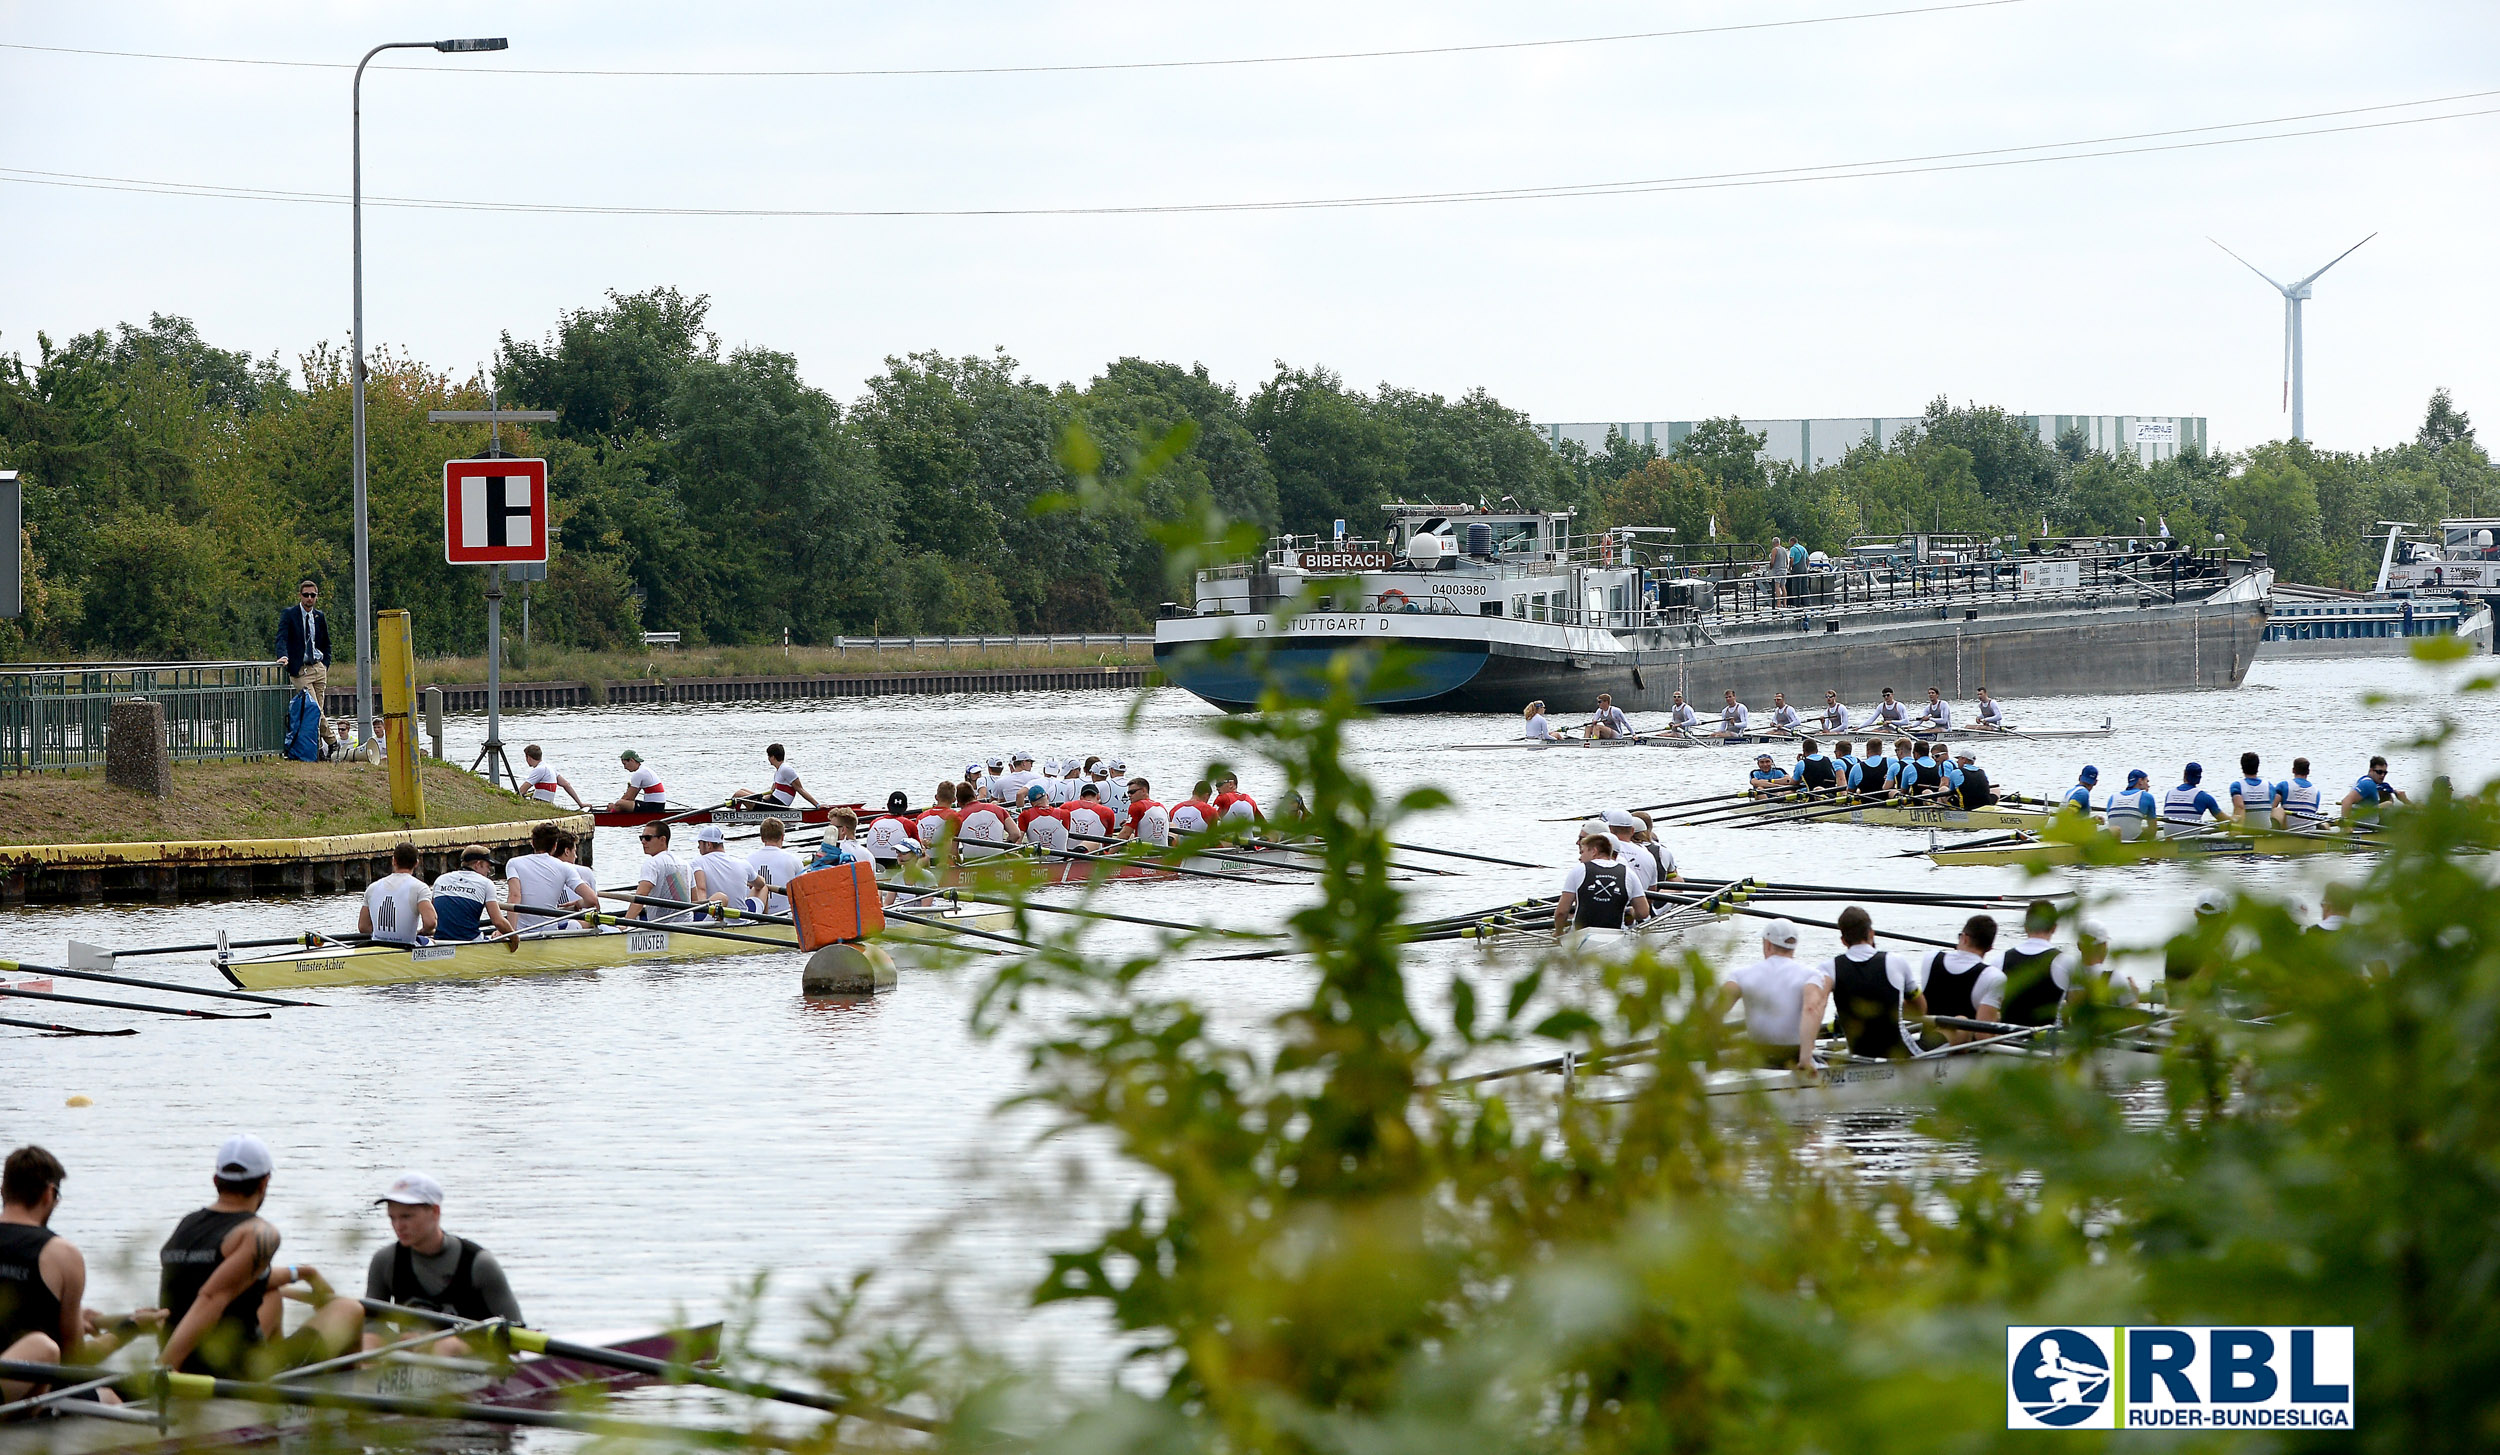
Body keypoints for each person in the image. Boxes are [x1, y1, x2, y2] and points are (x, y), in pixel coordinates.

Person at [157, 1135, 362, 1378]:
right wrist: (162, 1369)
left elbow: (225, 1277)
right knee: (349, 1308)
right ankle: (346, 1400)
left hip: (192, 1360)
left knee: (271, 1295)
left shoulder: (187, 1224)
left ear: (216, 1181)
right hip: (233, 1376)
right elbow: (211, 1296)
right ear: (264, 1183)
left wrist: (301, 1273)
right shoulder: (259, 1233)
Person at [2, 1147, 156, 1404]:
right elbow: (76, 1361)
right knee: (113, 1397)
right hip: (25, 1394)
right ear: (50, 1194)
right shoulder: (62, 1254)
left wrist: (74, 1316)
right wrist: (129, 1329)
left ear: (3, 1191)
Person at [361, 1173, 523, 1353]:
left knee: (446, 1347)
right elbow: (371, 1326)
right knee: (368, 1340)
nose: (398, 1226)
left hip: (471, 1354)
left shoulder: (479, 1263)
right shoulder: (385, 1261)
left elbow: (517, 1333)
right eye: (392, 1218)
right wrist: (394, 1340)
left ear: (435, 1212)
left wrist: (442, 1341)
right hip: (413, 1356)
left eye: (407, 1217)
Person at [1719, 920, 1830, 1073]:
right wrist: (1805, 1059)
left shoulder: (1740, 975)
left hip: (1757, 1055)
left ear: (1767, 944)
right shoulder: (1811, 975)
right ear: (1793, 947)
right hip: (1793, 1056)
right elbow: (1811, 1009)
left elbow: (1713, 1012)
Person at [1823, 906, 1928, 1060]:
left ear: (1844, 941)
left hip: (1860, 1055)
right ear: (1871, 933)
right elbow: (1920, 1010)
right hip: (1903, 1055)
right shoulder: (1896, 961)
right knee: (1958, 1026)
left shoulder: (1829, 968)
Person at [1976, 900, 2089, 1028]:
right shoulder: (2068, 963)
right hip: (2047, 1044)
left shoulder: (1999, 960)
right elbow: (2080, 1015)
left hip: (2006, 1042)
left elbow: (1984, 1008)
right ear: (2054, 928)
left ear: (2026, 927)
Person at [275, 578, 338, 757]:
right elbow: (281, 638)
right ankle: (332, 741)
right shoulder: (290, 614)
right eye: (306, 595)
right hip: (300, 670)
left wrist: (325, 664)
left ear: (316, 597)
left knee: (316, 713)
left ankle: (317, 750)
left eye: (312, 595)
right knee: (314, 709)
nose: (309, 598)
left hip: (318, 668)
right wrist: (283, 655)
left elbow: (326, 643)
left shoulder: (319, 616)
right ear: (300, 596)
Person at [1551, 833, 1650, 935]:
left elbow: (1561, 912)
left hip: (1581, 935)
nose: (1580, 857)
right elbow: (1643, 913)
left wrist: (1558, 932)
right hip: (1616, 936)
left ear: (1594, 851)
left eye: (1582, 852)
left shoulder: (1578, 870)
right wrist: (1631, 912)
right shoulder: (1628, 872)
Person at [1919, 915, 1997, 1044]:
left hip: (1927, 1040)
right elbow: (1983, 1036)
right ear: (1989, 948)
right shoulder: (1993, 976)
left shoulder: (1930, 958)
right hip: (1964, 1051)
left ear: (1964, 938)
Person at [507, 822, 595, 929]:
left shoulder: (514, 863)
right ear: (555, 846)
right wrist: (578, 904)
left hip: (521, 932)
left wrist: (509, 932)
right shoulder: (564, 867)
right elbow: (592, 900)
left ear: (532, 843)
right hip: (550, 932)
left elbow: (514, 897)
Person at [429, 846, 515, 943]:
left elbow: (431, 916)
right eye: (488, 867)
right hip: (470, 941)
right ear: (478, 864)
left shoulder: (441, 879)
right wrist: (514, 937)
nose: (488, 871)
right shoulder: (486, 883)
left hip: (440, 940)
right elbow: (498, 921)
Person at [359, 842, 435, 946]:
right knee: (431, 942)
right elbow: (430, 923)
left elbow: (363, 927)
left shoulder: (372, 888)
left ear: (393, 861)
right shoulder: (420, 888)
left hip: (378, 946)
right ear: (416, 863)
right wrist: (423, 931)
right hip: (407, 947)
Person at [625, 823, 692, 921]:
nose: (643, 842)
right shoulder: (686, 865)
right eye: (641, 838)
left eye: (648, 838)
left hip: (660, 928)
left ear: (662, 840)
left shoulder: (652, 863)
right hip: (688, 925)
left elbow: (640, 897)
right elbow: (695, 900)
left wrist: (625, 923)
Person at [736, 744, 822, 811]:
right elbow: (771, 793)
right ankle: (736, 809)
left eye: (769, 756)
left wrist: (817, 805)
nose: (768, 758)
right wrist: (758, 799)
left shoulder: (786, 769)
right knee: (743, 790)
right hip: (772, 802)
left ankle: (732, 812)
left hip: (778, 806)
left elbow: (800, 789)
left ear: (773, 757)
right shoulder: (778, 771)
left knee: (739, 794)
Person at [749, 818, 808, 914]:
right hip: (785, 914)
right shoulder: (794, 860)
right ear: (782, 837)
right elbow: (805, 892)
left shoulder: (748, 861)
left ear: (762, 838)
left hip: (756, 916)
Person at [690, 825, 756, 910]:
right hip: (742, 918)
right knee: (763, 888)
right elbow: (761, 884)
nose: (698, 847)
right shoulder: (743, 863)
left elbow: (701, 889)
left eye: (699, 843)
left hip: (711, 917)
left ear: (708, 844)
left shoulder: (697, 862)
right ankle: (764, 921)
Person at [2161, 762, 2226, 833]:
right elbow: (2224, 820)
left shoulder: (2170, 793)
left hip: (2169, 839)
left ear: (2184, 774)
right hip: (2190, 840)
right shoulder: (2204, 797)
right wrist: (2235, 819)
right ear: (2199, 778)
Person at [863, 791, 923, 866]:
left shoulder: (874, 822)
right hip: (895, 863)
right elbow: (919, 848)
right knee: (922, 855)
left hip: (874, 862)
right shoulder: (908, 824)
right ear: (906, 807)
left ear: (888, 806)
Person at [518, 745, 586, 810]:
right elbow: (566, 784)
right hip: (549, 803)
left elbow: (522, 790)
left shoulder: (539, 769)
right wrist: (580, 804)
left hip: (539, 804)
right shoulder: (550, 768)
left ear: (529, 758)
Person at [2341, 756, 2409, 820]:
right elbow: (2346, 801)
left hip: (2365, 820)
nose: (2382, 775)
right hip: (2363, 827)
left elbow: (2385, 788)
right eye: (2379, 772)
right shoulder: (2368, 784)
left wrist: (2397, 793)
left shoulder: (2364, 780)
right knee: (2389, 804)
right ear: (2371, 770)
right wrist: (2346, 825)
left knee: (2386, 796)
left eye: (2385, 773)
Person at [2105, 770, 2157, 842]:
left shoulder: (2113, 797)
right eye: (2147, 781)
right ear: (2140, 781)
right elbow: (2153, 829)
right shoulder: (2147, 796)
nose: (2148, 785)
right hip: (2133, 841)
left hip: (2114, 839)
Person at [1018, 785, 1072, 853]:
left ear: (1031, 803)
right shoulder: (1065, 813)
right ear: (1047, 796)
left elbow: (1018, 841)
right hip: (1062, 860)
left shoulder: (1025, 815)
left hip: (1036, 861)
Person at [2278, 757, 2328, 829]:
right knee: (2325, 824)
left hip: (2288, 831)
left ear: (2293, 770)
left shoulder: (2283, 785)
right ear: (2308, 772)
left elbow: (2272, 807)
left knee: (2277, 810)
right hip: (2310, 831)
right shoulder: (2316, 792)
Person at [1766, 535, 1791, 606]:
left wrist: (1770, 567)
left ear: (1773, 543)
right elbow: (1787, 560)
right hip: (1784, 570)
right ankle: (1785, 604)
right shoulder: (1784, 550)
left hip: (1777, 570)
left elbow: (1772, 561)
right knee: (1783, 586)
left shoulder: (1775, 550)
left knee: (1777, 586)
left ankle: (1778, 603)